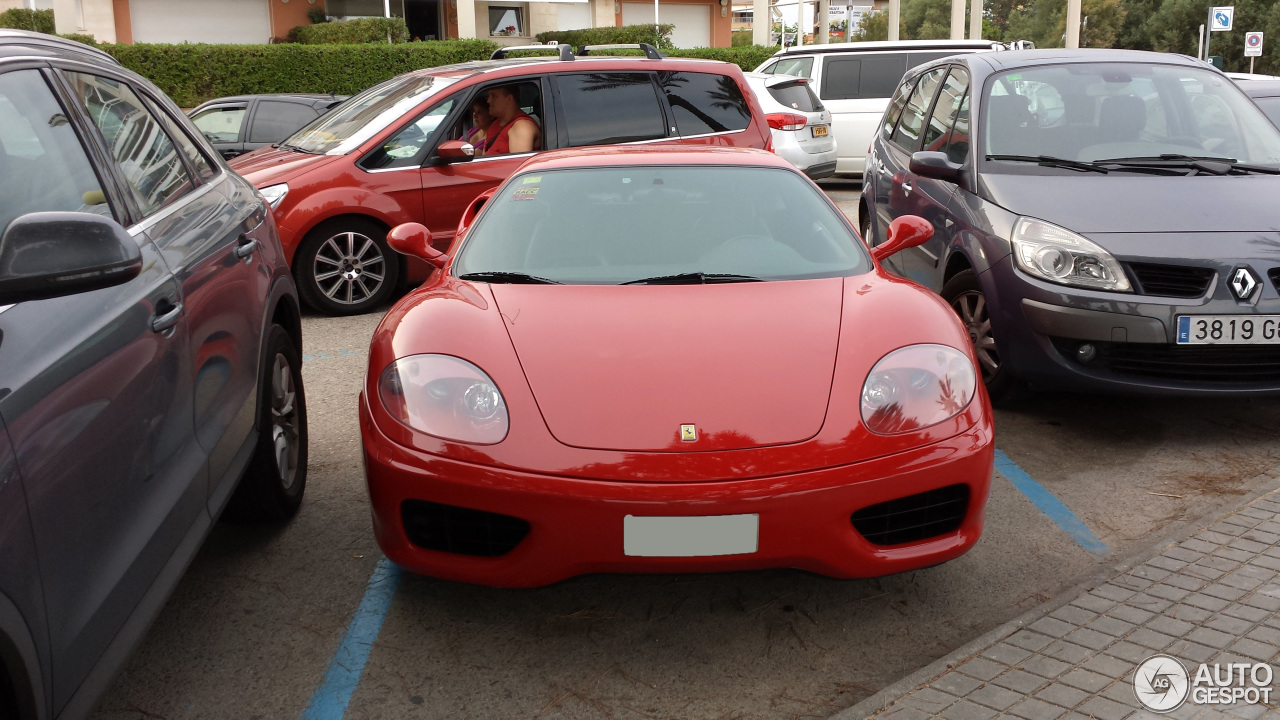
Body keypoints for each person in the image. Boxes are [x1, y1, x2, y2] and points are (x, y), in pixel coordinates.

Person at [481, 85, 541, 156]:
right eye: (489, 96)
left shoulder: (521, 126)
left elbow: (517, 164)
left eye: (494, 96)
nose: (488, 100)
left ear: (509, 99)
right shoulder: (495, 124)